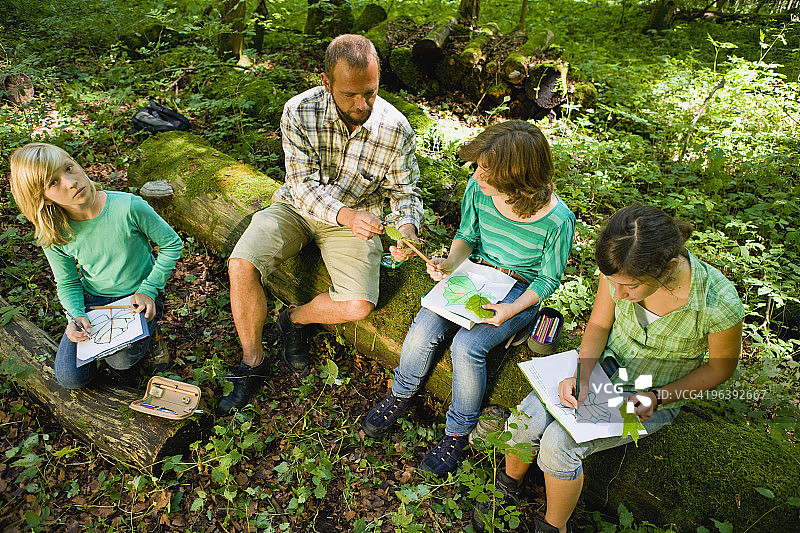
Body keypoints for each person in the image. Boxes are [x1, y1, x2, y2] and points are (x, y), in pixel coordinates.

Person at [472, 205, 745, 533]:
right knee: (525, 419)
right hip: (602, 367)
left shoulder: (716, 304)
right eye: (613, 283)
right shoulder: (621, 265)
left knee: (560, 444)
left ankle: (555, 526)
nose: (618, 294)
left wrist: (658, 397)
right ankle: (506, 486)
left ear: (668, 268)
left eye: (628, 287)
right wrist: (582, 372)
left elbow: (720, 368)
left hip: (650, 395)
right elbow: (600, 323)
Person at [218, 34, 424, 416]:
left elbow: (405, 193)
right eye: (350, 95)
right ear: (327, 83)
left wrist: (407, 228)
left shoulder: (396, 129)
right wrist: (345, 213)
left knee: (359, 304)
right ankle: (253, 361)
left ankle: (293, 320)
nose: (362, 105)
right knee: (241, 264)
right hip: (299, 208)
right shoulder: (299, 111)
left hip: (356, 223)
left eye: (371, 92)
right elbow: (301, 185)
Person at [361, 120, 576, 476]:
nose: (476, 176)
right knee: (425, 323)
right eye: (477, 167)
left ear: (516, 177)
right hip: (475, 274)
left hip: (518, 291)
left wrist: (511, 310)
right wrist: (450, 262)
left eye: (485, 171)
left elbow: (548, 279)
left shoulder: (557, 219)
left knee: (467, 346)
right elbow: (466, 235)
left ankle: (457, 432)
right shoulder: (478, 191)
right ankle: (400, 394)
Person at [9, 142, 183, 389]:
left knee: (121, 362)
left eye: (69, 168)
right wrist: (76, 315)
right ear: (42, 198)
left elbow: (172, 245)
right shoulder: (55, 234)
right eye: (53, 182)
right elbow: (68, 282)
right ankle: (102, 353)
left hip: (138, 295)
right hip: (94, 300)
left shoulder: (128, 207)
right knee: (69, 378)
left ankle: (151, 337)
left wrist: (149, 289)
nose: (70, 182)